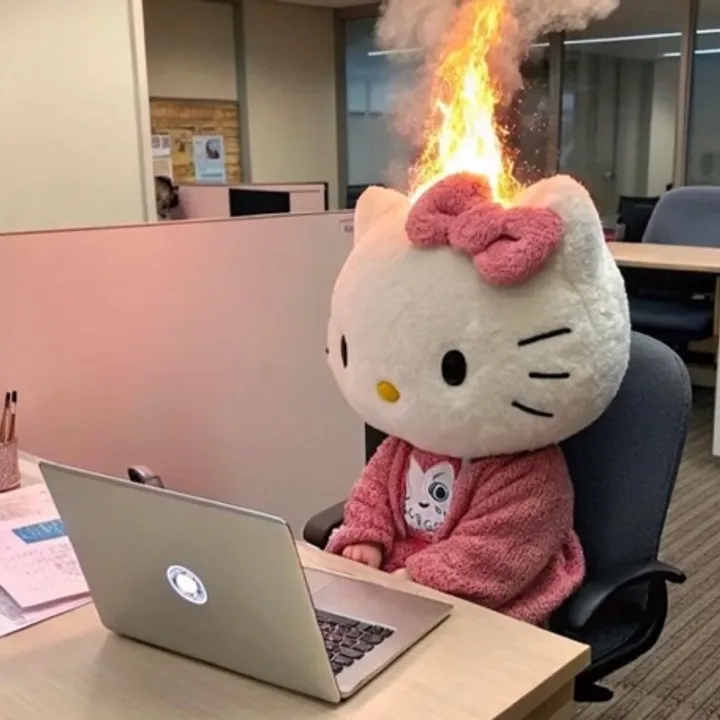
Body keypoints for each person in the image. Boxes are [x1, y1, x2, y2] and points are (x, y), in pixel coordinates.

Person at [323, 172, 630, 626]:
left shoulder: (530, 476)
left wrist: (416, 579)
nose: (391, 390)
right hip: (402, 594)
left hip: (492, 610)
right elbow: (371, 494)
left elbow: (498, 554)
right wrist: (365, 537)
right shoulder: (405, 447)